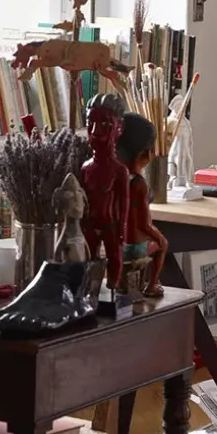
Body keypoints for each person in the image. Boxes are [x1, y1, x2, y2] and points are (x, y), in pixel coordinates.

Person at [81, 93, 130, 289]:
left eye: (105, 124)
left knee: (114, 257)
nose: (95, 131)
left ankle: (112, 288)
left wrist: (122, 228)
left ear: (119, 128)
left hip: (111, 226)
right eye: (90, 123)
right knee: (88, 259)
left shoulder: (119, 171)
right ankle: (89, 289)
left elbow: (124, 202)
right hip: (89, 225)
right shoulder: (85, 168)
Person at [116, 112, 168, 296]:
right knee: (163, 245)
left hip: (119, 241)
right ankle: (152, 285)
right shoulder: (139, 184)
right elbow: (144, 225)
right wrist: (158, 236)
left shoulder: (119, 179)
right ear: (147, 153)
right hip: (135, 246)